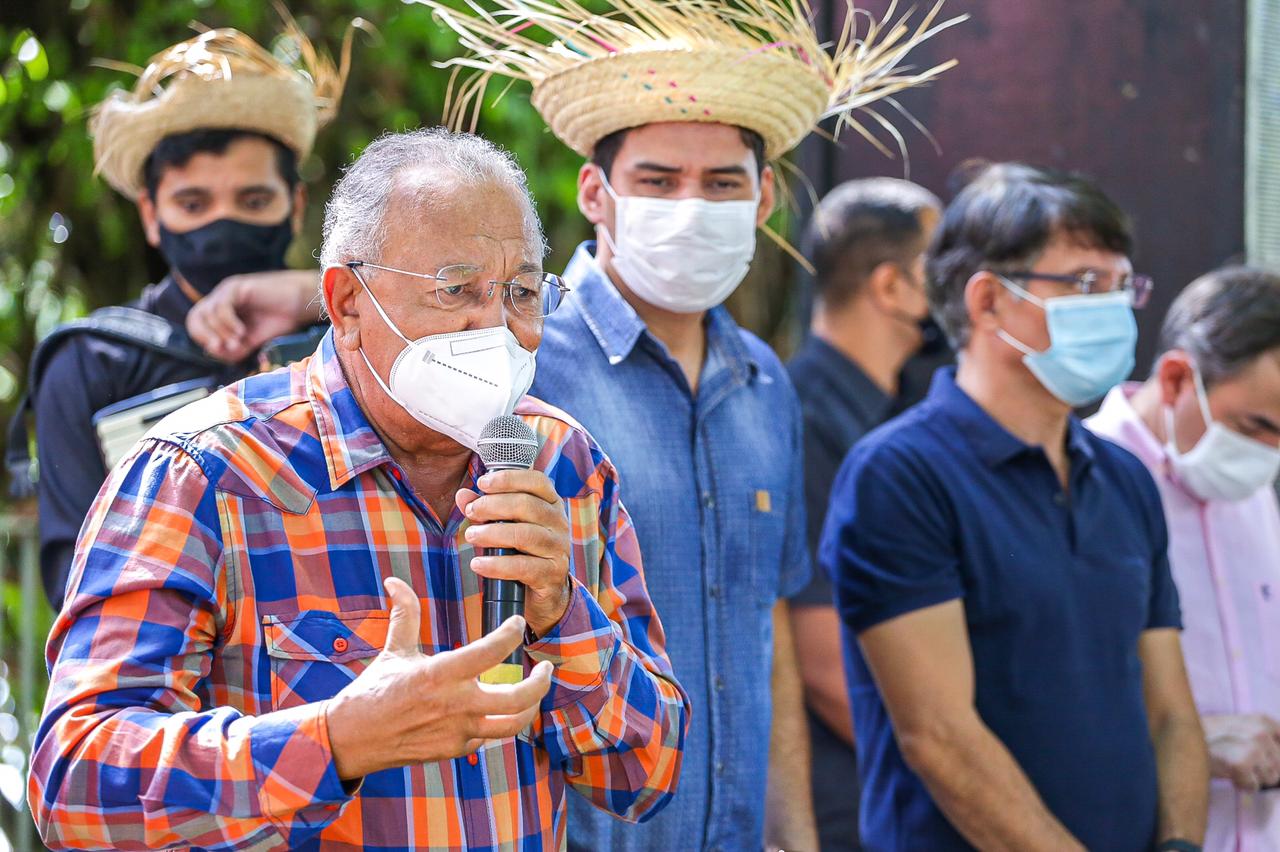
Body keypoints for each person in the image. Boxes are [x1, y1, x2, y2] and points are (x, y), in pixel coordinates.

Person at [28, 128, 690, 851]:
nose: (495, 327)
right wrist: (334, 740)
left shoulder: (564, 462)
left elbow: (647, 775)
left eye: (523, 292)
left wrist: (563, 613)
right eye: (455, 289)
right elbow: (75, 784)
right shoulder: (203, 475)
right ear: (346, 301)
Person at [418, 1, 963, 848]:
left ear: (765, 196)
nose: (691, 205)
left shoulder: (764, 383)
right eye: (659, 180)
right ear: (594, 193)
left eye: (721, 184)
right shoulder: (518, 368)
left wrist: (794, 832)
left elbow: (766, 627)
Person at [821, 162, 1209, 851]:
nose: (1113, 309)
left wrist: (1180, 842)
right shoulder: (899, 475)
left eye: (1123, 286)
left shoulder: (1122, 479)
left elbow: (1173, 711)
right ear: (988, 302)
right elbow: (939, 736)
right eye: (1086, 284)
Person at [8, 23, 341, 608]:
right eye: (193, 204)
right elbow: (75, 577)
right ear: (151, 216)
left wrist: (320, 293)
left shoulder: (353, 332)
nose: (223, 224)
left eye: (253, 200)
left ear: (296, 209)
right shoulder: (90, 361)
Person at [1087, 266, 1280, 851]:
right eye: (1257, 426)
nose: (1269, 453)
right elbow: (1044, 697)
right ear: (1174, 379)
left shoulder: (1252, 491)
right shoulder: (1083, 482)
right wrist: (1191, 739)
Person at [787, 178, 942, 851]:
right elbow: (824, 669)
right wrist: (957, 765)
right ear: (891, 287)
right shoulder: (801, 416)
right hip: (859, 807)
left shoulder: (907, 409)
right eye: (947, 265)